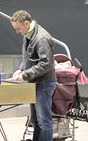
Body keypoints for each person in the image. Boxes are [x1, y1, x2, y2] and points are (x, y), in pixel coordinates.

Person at [10, 10, 56, 141]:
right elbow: (29, 56)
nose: (17, 32)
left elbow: (46, 64)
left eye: (18, 28)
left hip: (44, 84)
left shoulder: (41, 38)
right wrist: (21, 69)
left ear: (26, 23)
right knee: (36, 121)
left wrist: (25, 75)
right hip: (35, 83)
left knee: (44, 122)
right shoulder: (28, 34)